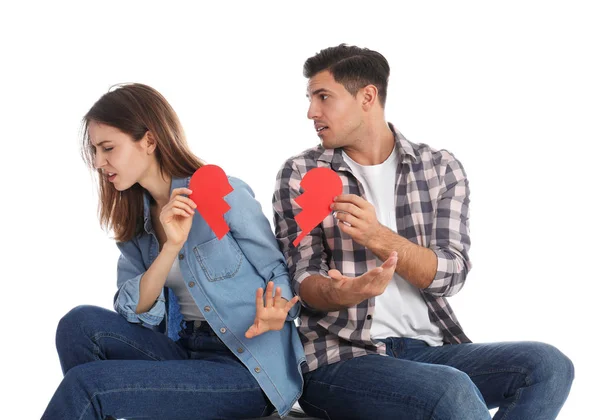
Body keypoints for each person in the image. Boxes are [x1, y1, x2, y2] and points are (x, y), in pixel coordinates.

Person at [272, 44, 574, 420]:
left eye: (323, 97)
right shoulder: (301, 173)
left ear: (367, 96)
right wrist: (342, 291)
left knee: (548, 366)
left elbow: (451, 273)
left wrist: (378, 237)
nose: (311, 112)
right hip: (341, 357)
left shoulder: (439, 168)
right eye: (310, 98)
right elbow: (303, 278)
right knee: (450, 388)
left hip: (430, 348)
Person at [42, 83, 305, 419]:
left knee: (88, 385)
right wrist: (171, 246)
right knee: (77, 324)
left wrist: (278, 309)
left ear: (149, 141)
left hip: (245, 368)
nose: (99, 162)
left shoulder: (220, 194)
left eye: (108, 148)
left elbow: (277, 270)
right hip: (183, 354)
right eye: (94, 151)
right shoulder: (136, 225)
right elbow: (134, 310)